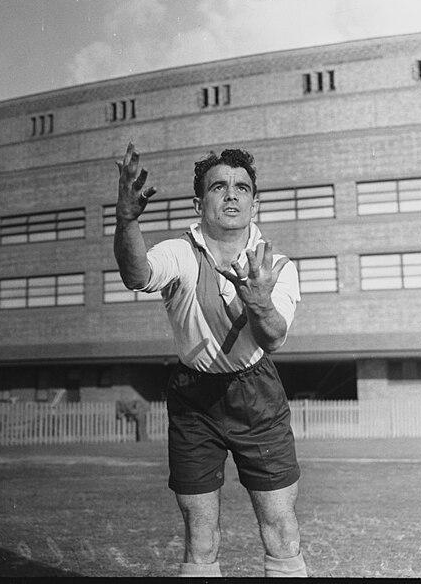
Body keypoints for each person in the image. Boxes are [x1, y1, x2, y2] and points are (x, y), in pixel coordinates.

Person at [114, 141, 308, 578]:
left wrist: (259, 301)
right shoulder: (181, 253)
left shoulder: (276, 264)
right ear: (199, 202)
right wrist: (126, 220)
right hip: (193, 398)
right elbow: (135, 274)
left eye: (242, 187)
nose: (232, 194)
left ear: (255, 202)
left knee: (280, 528)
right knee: (200, 536)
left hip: (256, 394)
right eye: (219, 186)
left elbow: (274, 339)